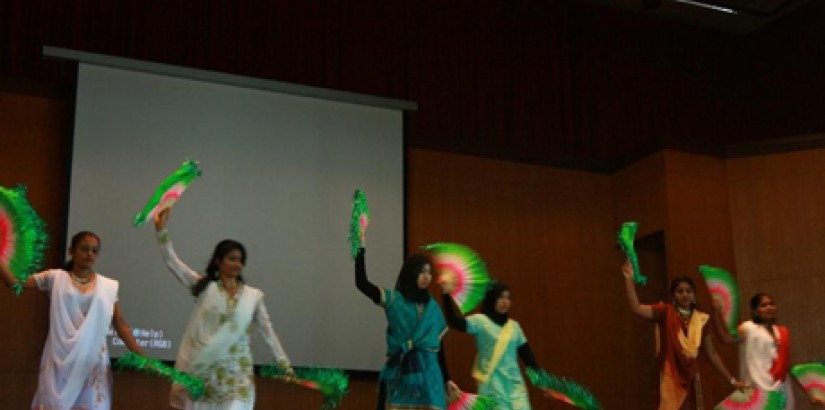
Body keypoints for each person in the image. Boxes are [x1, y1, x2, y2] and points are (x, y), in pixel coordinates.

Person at [153, 209, 292, 410]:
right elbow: (173, 263)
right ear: (218, 261)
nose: (237, 263)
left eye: (240, 260)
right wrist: (161, 230)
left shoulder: (253, 296)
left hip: (237, 376)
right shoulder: (205, 288)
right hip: (205, 371)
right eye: (231, 258)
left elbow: (267, 331)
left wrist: (283, 363)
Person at [0, 231, 144, 410]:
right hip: (60, 358)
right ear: (71, 250)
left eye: (94, 251)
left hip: (91, 360)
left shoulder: (107, 286)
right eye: (85, 249)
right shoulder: (55, 278)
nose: (90, 254)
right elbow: (14, 283)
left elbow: (120, 324)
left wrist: (144, 357)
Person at [622, 260, 746, 409]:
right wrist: (628, 279)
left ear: (694, 296)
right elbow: (636, 308)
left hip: (694, 381)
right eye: (680, 291)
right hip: (669, 379)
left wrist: (731, 380)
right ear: (674, 296)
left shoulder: (702, 320)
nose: (685, 294)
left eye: (689, 291)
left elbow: (712, 353)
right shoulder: (665, 312)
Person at [354, 246, 460, 410]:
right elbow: (361, 283)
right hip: (400, 372)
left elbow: (438, 346)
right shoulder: (394, 300)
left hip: (430, 376)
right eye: (422, 271)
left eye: (429, 272)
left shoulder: (433, 307)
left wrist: (447, 378)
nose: (426, 276)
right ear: (411, 272)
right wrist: (360, 250)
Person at [438, 280, 542, 410]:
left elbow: (528, 357)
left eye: (508, 298)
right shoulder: (480, 321)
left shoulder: (515, 327)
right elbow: (454, 322)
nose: (505, 302)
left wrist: (542, 380)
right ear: (492, 299)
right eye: (500, 297)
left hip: (516, 388)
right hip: (492, 387)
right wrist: (446, 295)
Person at [713, 293, 825, 408]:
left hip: (782, 390)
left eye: (771, 304)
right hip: (758, 391)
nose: (769, 307)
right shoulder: (748, 328)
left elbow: (787, 366)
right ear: (755, 311)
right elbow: (725, 338)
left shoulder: (782, 332)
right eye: (763, 305)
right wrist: (716, 313)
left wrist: (808, 392)